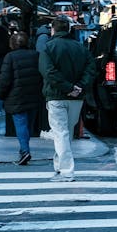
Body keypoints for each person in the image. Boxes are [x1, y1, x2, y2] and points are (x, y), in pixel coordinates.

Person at [38, 16, 95, 182]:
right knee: (66, 133)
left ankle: (66, 170)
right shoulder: (81, 48)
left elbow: (48, 72)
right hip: (77, 97)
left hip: (56, 96)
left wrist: (68, 88)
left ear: (52, 29)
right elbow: (91, 70)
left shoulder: (48, 48)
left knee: (61, 133)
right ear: (69, 29)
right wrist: (78, 87)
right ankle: (59, 165)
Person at [0, 31, 43, 166]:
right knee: (28, 125)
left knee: (21, 124)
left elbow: (5, 79)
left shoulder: (10, 57)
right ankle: (24, 149)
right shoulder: (36, 55)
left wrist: (1, 94)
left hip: (16, 96)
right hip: (33, 94)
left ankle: (24, 151)